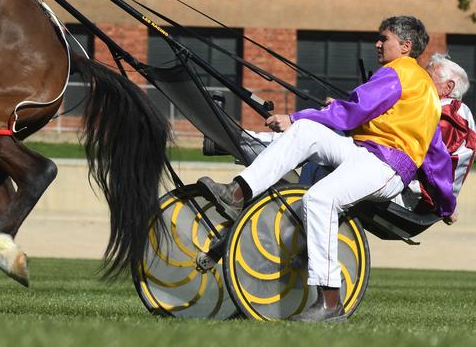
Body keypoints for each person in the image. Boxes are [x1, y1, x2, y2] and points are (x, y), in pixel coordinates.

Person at [197, 16, 455, 323]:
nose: (377, 43)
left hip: (383, 165)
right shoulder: (424, 89)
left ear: (405, 45)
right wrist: (446, 204)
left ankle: (330, 303)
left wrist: (293, 117)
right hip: (363, 153)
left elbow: (355, 109)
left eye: (383, 38)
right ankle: (237, 192)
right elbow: (436, 154)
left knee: (318, 199)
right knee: (307, 131)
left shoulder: (400, 72)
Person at [397, 54, 476, 216]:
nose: (421, 81)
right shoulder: (453, 112)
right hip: (423, 194)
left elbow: (435, 163)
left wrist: (447, 206)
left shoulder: (449, 114)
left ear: (448, 87)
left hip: (415, 194)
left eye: (428, 77)